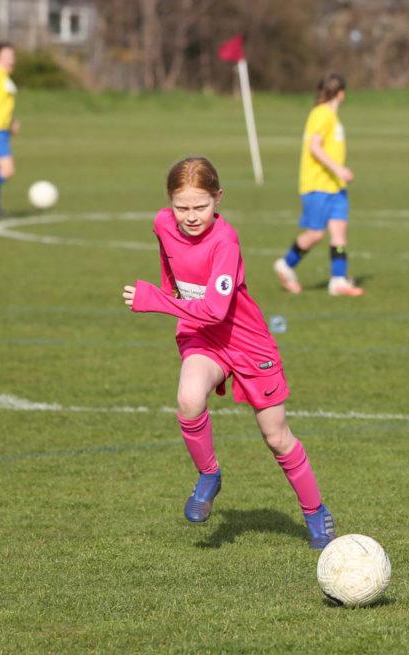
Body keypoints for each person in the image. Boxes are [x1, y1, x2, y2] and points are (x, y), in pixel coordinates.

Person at [122, 157, 335, 550]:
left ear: (218, 198)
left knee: (276, 437)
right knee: (188, 398)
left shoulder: (225, 242)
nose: (190, 216)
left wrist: (157, 300)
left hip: (246, 340)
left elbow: (217, 310)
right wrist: (168, 293)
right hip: (202, 336)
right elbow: (170, 270)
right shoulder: (161, 224)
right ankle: (209, 475)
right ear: (169, 202)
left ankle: (315, 511)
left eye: (200, 206)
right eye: (181, 207)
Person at [274, 73, 362, 297]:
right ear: (341, 93)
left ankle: (338, 280)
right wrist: (339, 169)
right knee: (315, 234)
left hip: (335, 186)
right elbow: (315, 147)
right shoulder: (322, 114)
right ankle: (286, 264)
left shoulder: (330, 115)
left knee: (339, 232)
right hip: (318, 185)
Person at [0, 43, 18, 216]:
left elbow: (1, 104)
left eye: (13, 55)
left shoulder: (4, 76)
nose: (11, 59)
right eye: (7, 55)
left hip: (1, 129)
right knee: (7, 170)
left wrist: (12, 121)